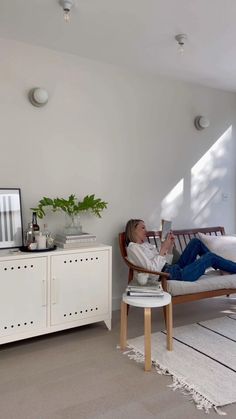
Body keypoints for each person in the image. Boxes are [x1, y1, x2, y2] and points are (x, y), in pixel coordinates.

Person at [125, 219, 236, 282]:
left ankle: (223, 267)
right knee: (210, 257)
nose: (146, 230)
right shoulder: (133, 248)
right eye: (143, 227)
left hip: (174, 269)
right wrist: (163, 248)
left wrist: (170, 247)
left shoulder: (146, 245)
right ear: (133, 230)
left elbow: (165, 262)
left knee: (195, 242)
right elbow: (152, 271)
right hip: (171, 275)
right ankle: (227, 267)